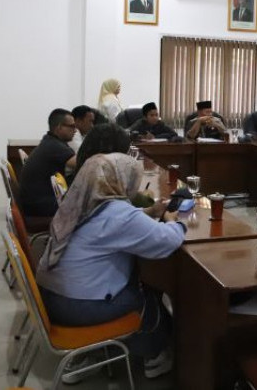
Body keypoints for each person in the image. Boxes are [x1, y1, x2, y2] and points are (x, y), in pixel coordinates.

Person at [36, 153, 185, 382]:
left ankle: (87, 353)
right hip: (78, 308)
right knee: (149, 290)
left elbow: (111, 224)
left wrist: (149, 212)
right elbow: (166, 240)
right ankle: (154, 355)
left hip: (49, 299)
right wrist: (177, 222)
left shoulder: (78, 201)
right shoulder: (118, 214)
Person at [19, 109, 77, 217]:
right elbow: (81, 162)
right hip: (40, 206)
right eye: (72, 126)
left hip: (34, 202)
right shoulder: (54, 146)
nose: (75, 130)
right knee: (86, 204)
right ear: (59, 127)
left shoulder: (50, 141)